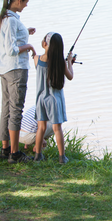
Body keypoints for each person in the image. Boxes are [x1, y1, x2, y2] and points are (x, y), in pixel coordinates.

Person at [0, 0, 37, 164]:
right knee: (16, 110)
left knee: (6, 108)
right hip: (16, 70)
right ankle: (15, 153)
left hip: (4, 68)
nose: (26, 5)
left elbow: (7, 39)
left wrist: (24, 32)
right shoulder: (11, 21)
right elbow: (12, 50)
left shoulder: (3, 17)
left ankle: (5, 149)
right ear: (19, 1)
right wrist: (28, 46)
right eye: (26, 2)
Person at [33, 32, 76, 164]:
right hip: (55, 101)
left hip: (41, 99)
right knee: (57, 129)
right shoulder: (60, 63)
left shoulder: (37, 59)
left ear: (45, 44)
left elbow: (41, 65)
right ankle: (62, 157)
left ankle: (38, 155)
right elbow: (70, 76)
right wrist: (69, 62)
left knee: (41, 128)